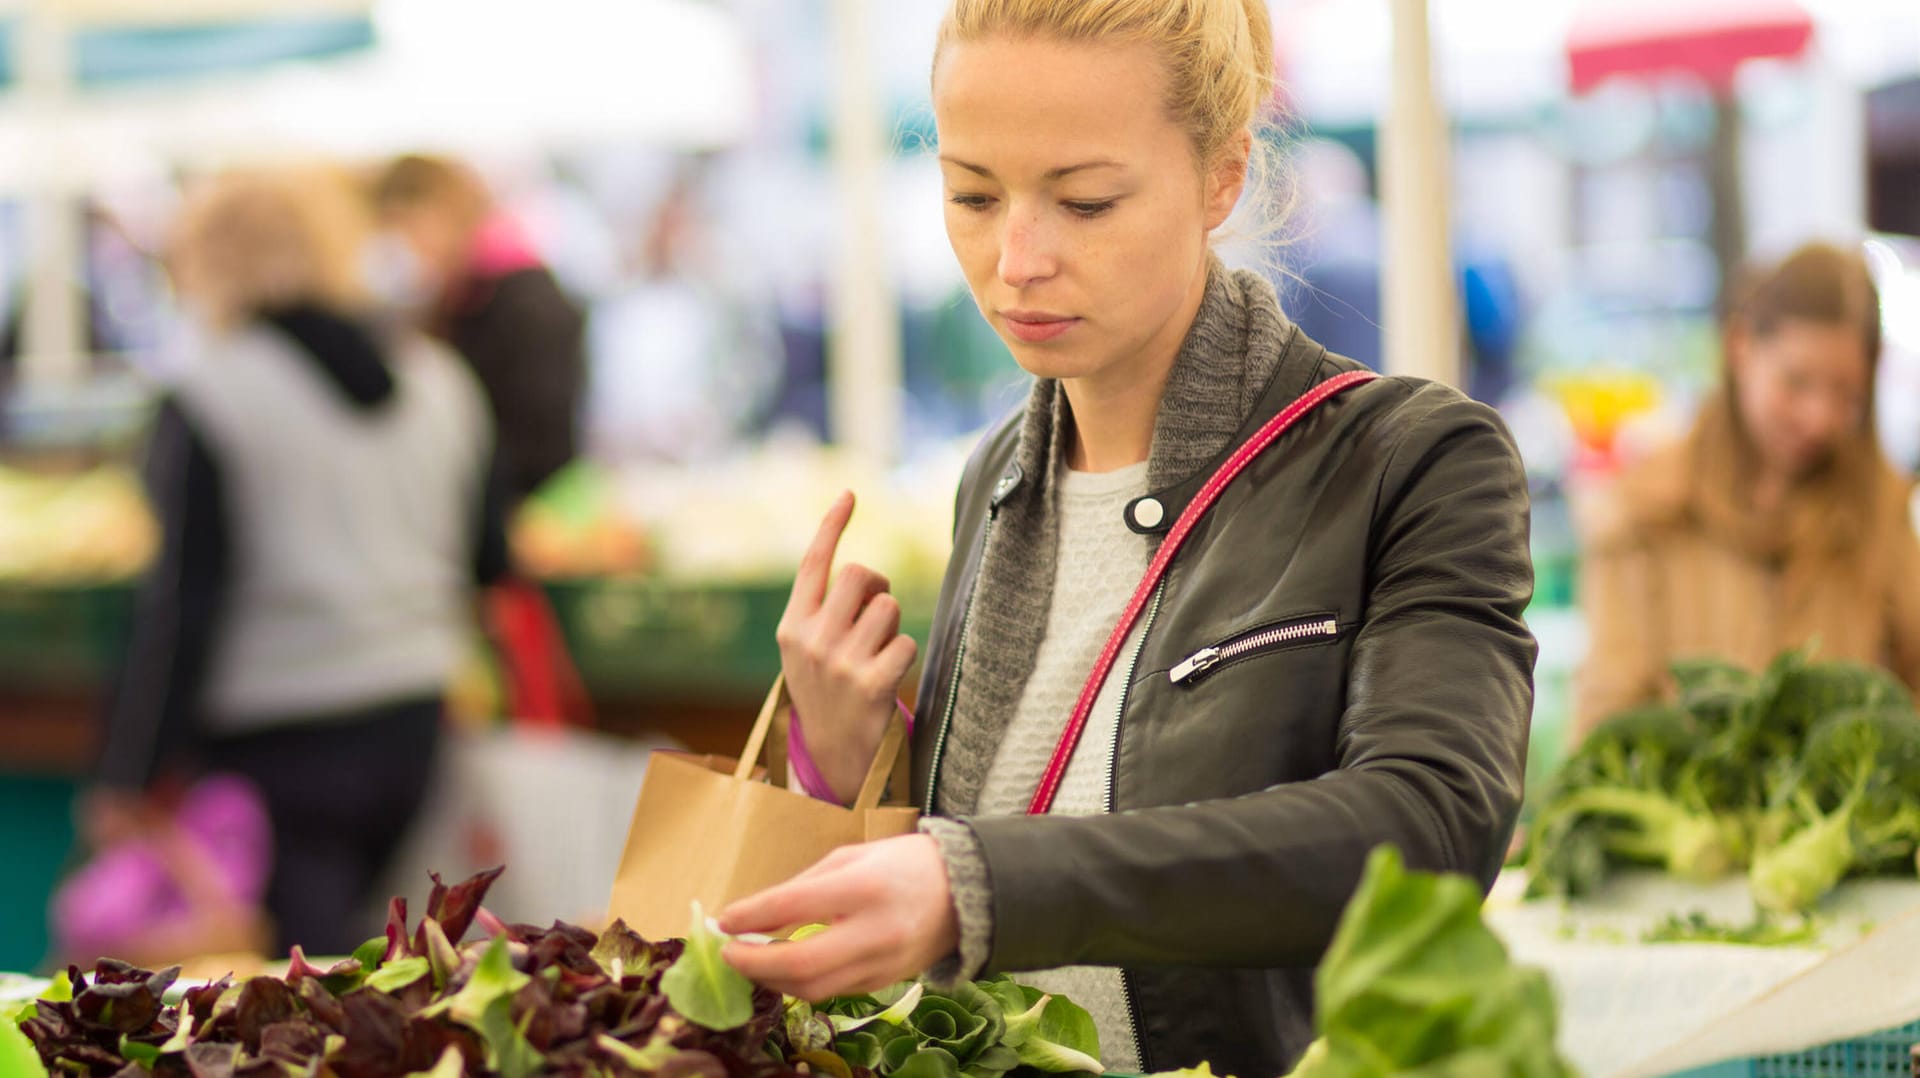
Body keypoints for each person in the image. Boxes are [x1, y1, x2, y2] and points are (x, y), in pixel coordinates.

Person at [713, 3, 1537, 1075]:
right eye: (971, 194)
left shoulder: (1411, 461)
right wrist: (842, 757)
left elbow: (1426, 829)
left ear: (1222, 177)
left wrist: (987, 889)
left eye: (1085, 200)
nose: (1016, 260)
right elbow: (960, 900)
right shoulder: (998, 479)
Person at [87, 166, 508, 956]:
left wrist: (130, 773)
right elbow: (490, 561)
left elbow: (183, 603)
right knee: (391, 974)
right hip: (419, 727)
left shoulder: (210, 393)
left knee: (292, 998)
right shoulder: (442, 380)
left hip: (276, 750)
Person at [1576, 242, 1919, 735]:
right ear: (1740, 346)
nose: (1819, 418)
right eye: (1796, 382)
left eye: (1846, 394)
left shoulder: (1881, 507)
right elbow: (1607, 720)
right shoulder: (1646, 508)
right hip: (1686, 808)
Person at [370, 155, 585, 505]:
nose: (405, 247)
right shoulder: (457, 297)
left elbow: (538, 443)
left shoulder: (521, 304)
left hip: (527, 511)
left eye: (408, 226)